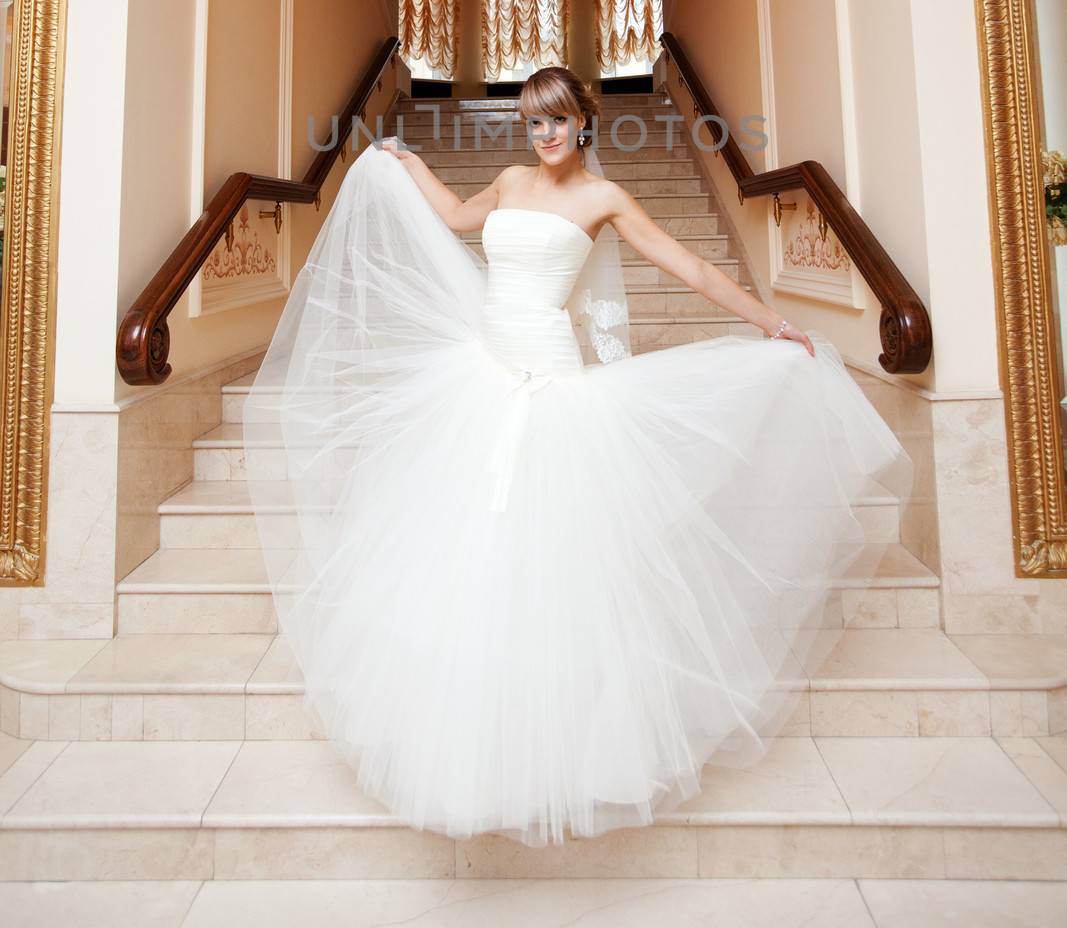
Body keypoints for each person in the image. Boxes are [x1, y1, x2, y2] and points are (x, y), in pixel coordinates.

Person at [242, 65, 910, 849]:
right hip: (479, 378)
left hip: (551, 381)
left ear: (583, 122)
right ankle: (472, 732)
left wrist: (771, 324)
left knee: (556, 564)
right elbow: (457, 220)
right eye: (532, 121)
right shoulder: (509, 179)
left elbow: (689, 268)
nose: (545, 133)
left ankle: (563, 740)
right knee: (461, 558)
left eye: (557, 120)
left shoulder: (604, 200)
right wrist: (407, 163)